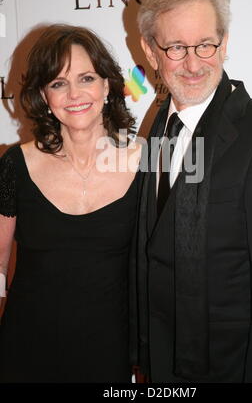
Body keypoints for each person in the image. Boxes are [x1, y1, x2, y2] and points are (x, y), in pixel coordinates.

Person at [130, 0, 252, 383]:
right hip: (162, 360)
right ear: (150, 51)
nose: (193, 63)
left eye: (205, 44)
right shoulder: (159, 123)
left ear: (224, 44)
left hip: (230, 365)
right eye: (175, 48)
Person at [0, 24, 141, 382]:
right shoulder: (16, 165)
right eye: (59, 83)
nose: (74, 94)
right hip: (25, 350)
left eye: (86, 78)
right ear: (44, 95)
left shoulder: (147, 163)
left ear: (107, 85)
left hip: (110, 352)